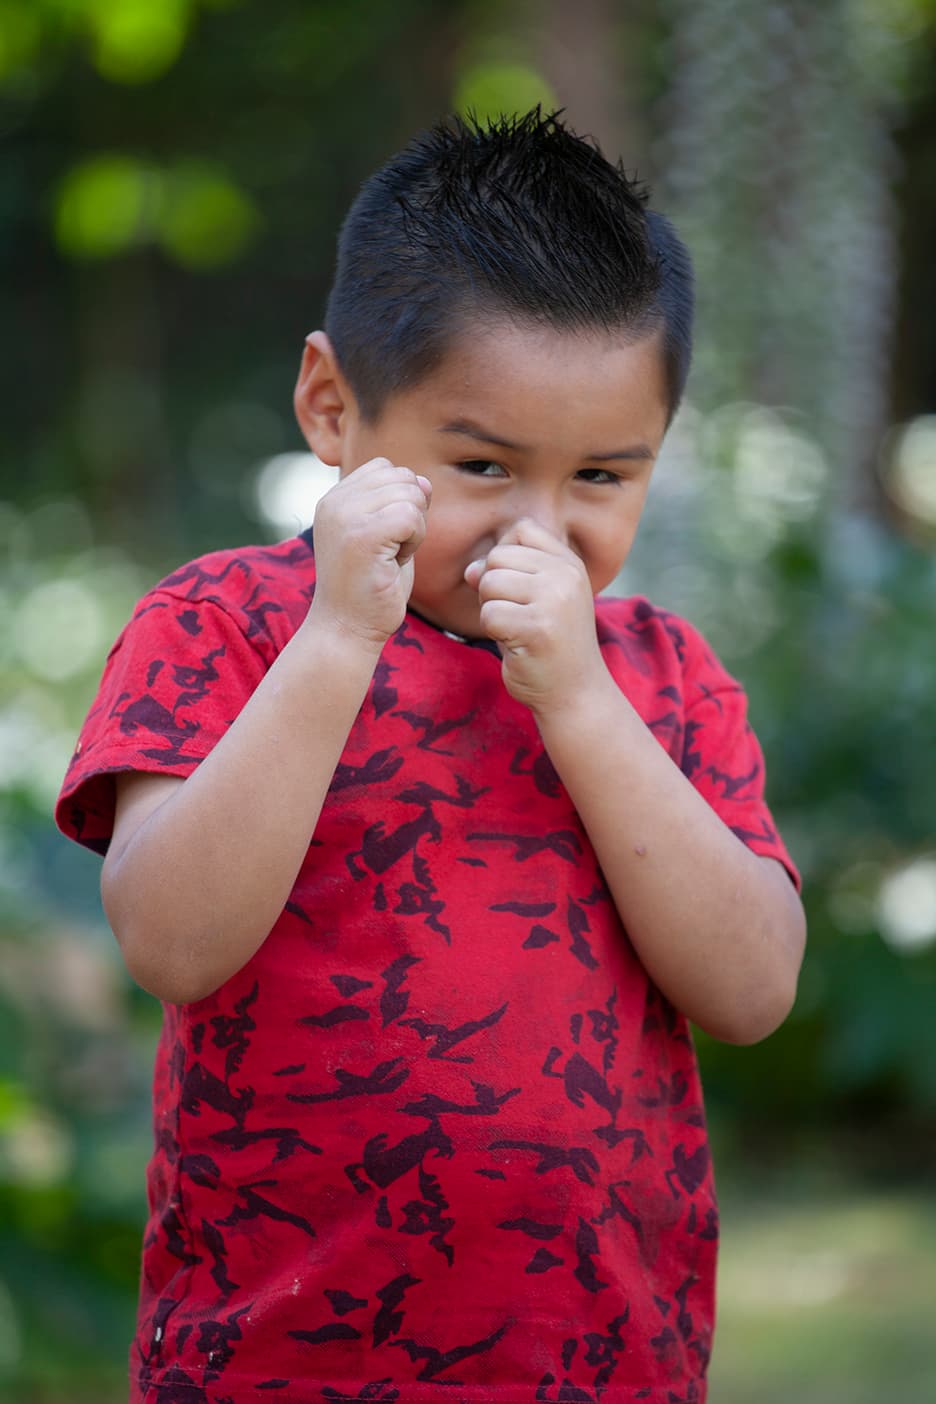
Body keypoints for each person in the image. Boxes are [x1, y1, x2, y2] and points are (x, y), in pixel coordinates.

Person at [55, 110, 805, 1404]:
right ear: (333, 407)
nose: (540, 531)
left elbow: (750, 990)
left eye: (601, 479)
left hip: (602, 1361)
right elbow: (172, 943)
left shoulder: (663, 682)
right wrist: (342, 637)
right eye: (481, 464)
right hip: (275, 1361)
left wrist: (578, 701)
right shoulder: (225, 627)